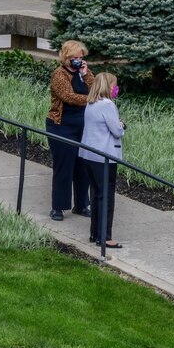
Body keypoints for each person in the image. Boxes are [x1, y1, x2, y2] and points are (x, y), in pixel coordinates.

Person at [46, 40, 94, 221]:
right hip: (61, 125)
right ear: (66, 57)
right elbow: (68, 97)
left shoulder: (84, 73)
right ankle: (58, 207)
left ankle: (81, 204)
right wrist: (91, 98)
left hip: (83, 125)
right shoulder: (59, 75)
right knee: (64, 167)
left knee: (83, 166)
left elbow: (97, 87)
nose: (78, 60)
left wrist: (86, 73)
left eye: (81, 58)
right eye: (75, 58)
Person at [78, 72, 124, 248]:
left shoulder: (91, 103)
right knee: (106, 196)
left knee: (96, 194)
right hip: (104, 156)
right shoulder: (107, 105)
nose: (115, 89)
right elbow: (117, 131)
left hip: (89, 155)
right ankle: (105, 236)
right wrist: (122, 126)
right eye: (114, 85)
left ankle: (95, 233)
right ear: (107, 86)